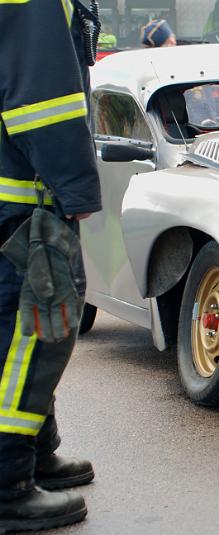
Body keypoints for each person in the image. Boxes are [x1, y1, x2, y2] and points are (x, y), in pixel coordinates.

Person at [0, 0, 102, 531]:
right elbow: (44, 102)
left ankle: (36, 453)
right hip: (21, 200)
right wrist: (75, 184)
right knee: (33, 334)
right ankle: (7, 485)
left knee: (24, 332)